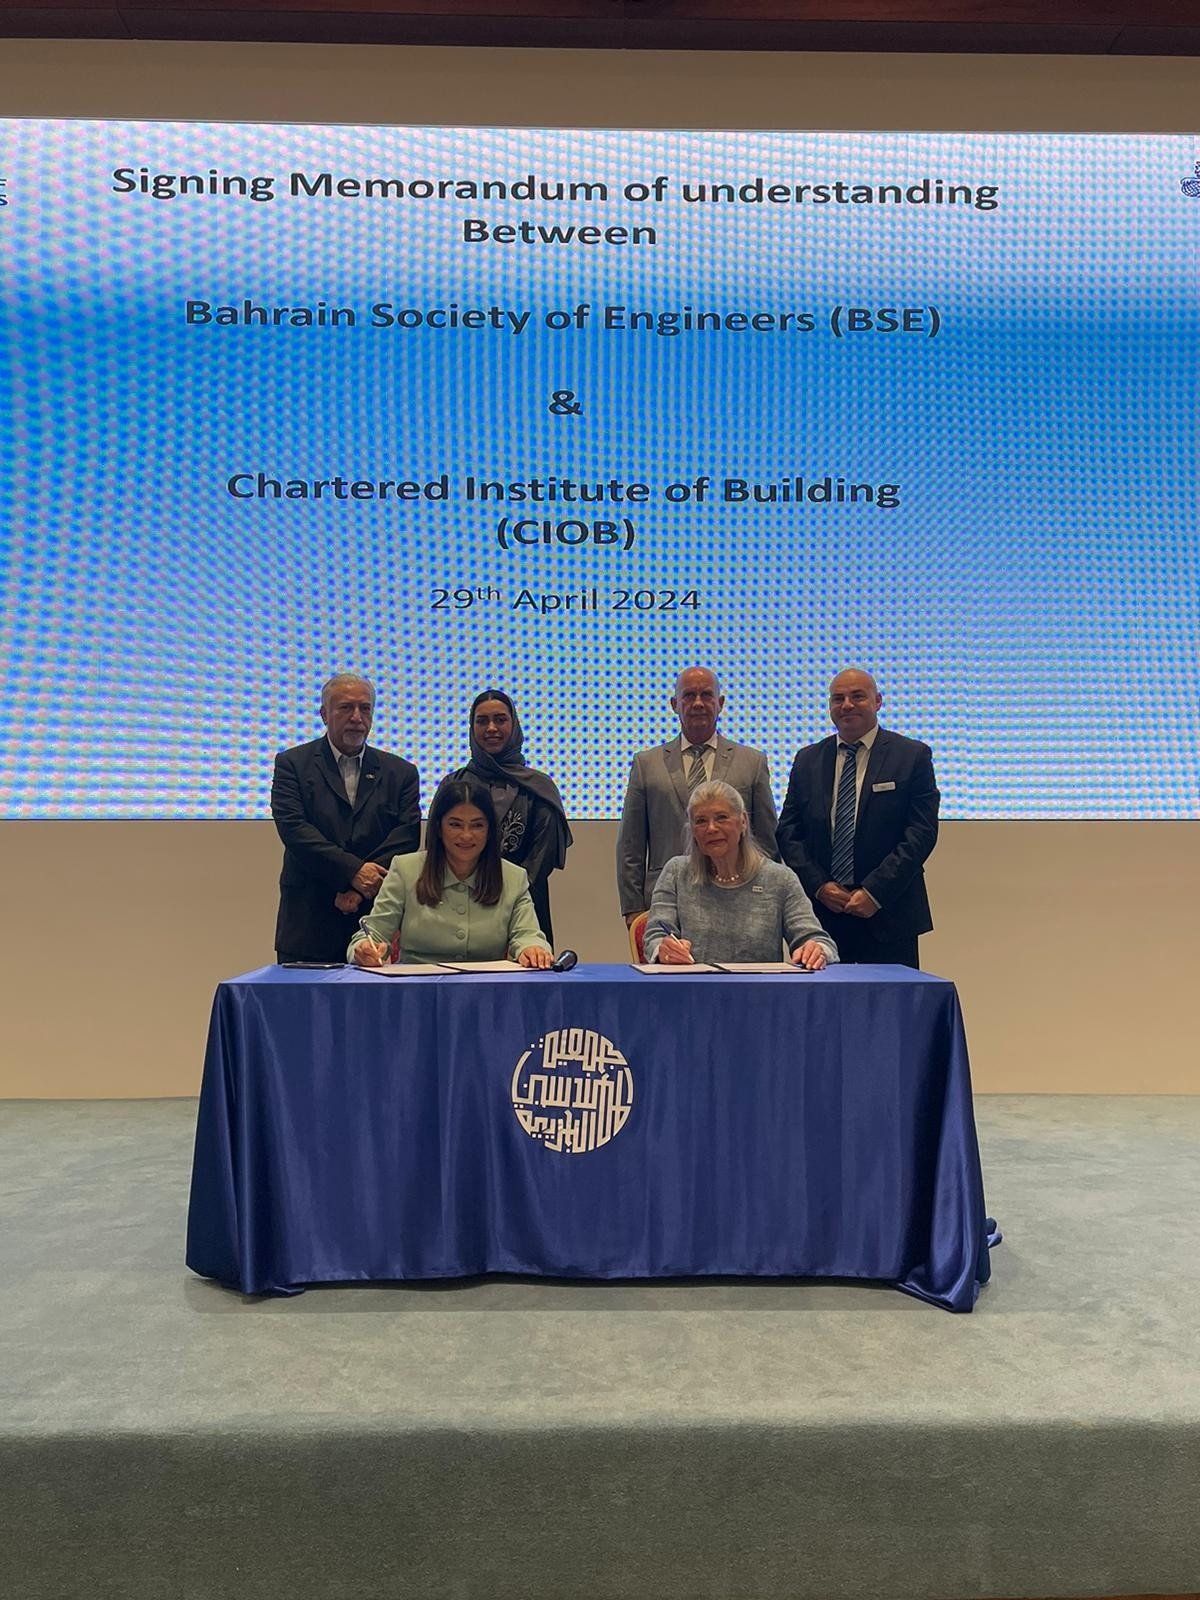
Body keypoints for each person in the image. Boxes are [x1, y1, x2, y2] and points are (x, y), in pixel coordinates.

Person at [776, 668, 940, 968]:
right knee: (821, 999)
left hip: (888, 915)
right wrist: (820, 886)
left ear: (878, 701)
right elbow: (788, 832)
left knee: (890, 1000)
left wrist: (875, 892)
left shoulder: (911, 756)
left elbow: (921, 832)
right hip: (821, 917)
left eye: (857, 696)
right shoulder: (807, 760)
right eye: (838, 698)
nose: (847, 705)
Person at [270, 673, 420, 963]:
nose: (356, 717)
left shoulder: (401, 772)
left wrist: (358, 888)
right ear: (324, 714)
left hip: (376, 919)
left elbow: (406, 836)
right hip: (309, 919)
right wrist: (352, 873)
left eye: (365, 708)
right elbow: (295, 830)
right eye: (345, 708)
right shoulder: (292, 764)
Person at [616, 666, 778, 924]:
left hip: (739, 900)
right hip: (666, 901)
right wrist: (633, 909)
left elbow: (767, 841)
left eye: (706, 695)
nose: (698, 703)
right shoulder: (646, 764)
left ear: (720, 703)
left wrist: (766, 900)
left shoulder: (752, 762)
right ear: (674, 704)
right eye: (689, 695)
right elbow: (630, 845)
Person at [348, 773, 553, 968]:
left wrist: (533, 949)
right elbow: (372, 934)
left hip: (486, 988)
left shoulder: (513, 876)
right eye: (455, 825)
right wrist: (364, 949)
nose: (466, 835)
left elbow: (528, 935)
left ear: (490, 830)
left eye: (477, 825)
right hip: (417, 986)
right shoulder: (405, 869)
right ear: (438, 827)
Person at [644, 782, 837, 969]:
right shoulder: (676, 872)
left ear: (743, 821)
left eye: (721, 818)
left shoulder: (780, 879)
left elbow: (819, 940)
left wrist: (816, 949)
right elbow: (655, 936)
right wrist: (663, 949)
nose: (711, 828)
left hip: (760, 989)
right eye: (701, 821)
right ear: (693, 830)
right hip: (693, 988)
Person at [454, 689, 572, 944]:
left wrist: (503, 898)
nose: (491, 728)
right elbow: (438, 851)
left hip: (524, 912)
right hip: (458, 911)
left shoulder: (539, 789)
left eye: (500, 719)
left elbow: (541, 859)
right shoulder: (454, 785)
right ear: (472, 728)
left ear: (514, 724)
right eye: (482, 721)